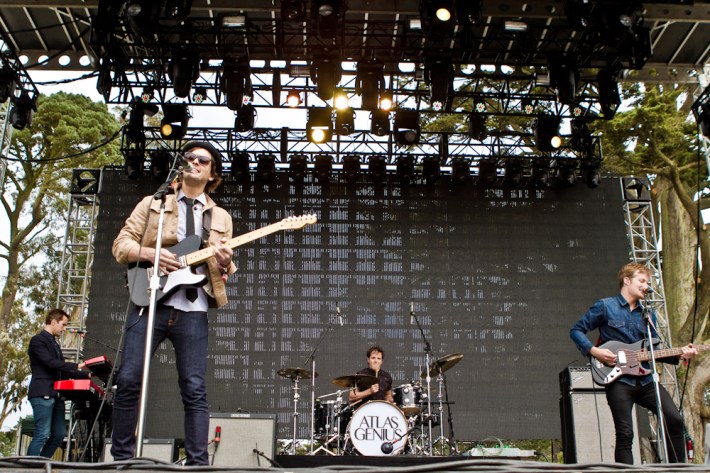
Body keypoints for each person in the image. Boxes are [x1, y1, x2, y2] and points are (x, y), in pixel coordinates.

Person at [111, 141, 236, 465]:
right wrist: (150, 254)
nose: (194, 162)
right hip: (149, 302)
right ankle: (121, 460)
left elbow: (223, 270)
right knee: (128, 379)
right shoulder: (153, 203)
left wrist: (224, 262)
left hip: (192, 309)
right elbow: (121, 245)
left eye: (202, 160)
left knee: (194, 387)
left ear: (212, 174)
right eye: (190, 157)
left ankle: (197, 464)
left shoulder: (220, 217)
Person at [570, 262, 697, 464]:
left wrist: (680, 354)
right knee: (625, 433)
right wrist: (595, 351)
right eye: (642, 280)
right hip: (619, 381)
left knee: (674, 419)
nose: (646, 285)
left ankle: (678, 468)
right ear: (627, 280)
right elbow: (576, 330)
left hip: (645, 379)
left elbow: (653, 351)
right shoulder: (605, 306)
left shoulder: (648, 314)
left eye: (648, 282)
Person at [27, 308, 91, 457]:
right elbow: (50, 363)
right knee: (42, 433)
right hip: (42, 392)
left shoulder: (54, 343)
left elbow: (62, 370)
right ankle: (29, 466)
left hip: (56, 394)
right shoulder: (38, 340)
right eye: (63, 325)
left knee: (59, 434)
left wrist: (88, 374)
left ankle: (41, 462)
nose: (64, 329)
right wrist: (77, 365)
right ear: (53, 322)